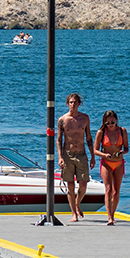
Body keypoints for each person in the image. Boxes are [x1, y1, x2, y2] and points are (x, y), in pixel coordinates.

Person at [57, 92, 95, 222]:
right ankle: (74, 213)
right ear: (67, 104)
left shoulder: (84, 118)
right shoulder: (62, 120)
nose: (73, 105)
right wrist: (60, 157)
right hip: (67, 155)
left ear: (79, 104)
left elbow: (89, 138)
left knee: (83, 184)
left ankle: (77, 204)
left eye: (75, 102)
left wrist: (92, 156)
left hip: (81, 154)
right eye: (71, 102)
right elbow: (59, 140)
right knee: (70, 186)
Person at [94, 110, 129, 226]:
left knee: (116, 191)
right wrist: (104, 155)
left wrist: (123, 152)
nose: (110, 125)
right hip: (106, 163)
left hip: (119, 163)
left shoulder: (122, 131)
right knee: (108, 189)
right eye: (107, 123)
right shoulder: (101, 132)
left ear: (116, 121)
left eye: (112, 122)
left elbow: (126, 148)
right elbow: (95, 150)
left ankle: (112, 214)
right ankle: (109, 217)